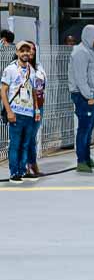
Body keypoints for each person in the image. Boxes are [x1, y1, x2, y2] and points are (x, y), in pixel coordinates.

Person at [1, 41, 41, 183]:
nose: (25, 53)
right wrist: (9, 111)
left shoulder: (31, 69)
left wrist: (36, 109)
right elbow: (3, 91)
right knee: (15, 143)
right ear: (17, 52)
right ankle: (14, 172)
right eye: (21, 51)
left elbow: (34, 91)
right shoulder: (10, 69)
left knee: (26, 143)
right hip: (16, 112)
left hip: (29, 112)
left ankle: (23, 170)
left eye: (27, 50)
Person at [68, 25, 94, 173]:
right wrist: (89, 96)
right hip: (84, 96)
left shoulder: (91, 51)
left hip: (92, 94)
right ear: (90, 36)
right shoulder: (80, 52)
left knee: (89, 130)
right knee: (84, 129)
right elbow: (80, 77)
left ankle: (87, 159)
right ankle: (81, 161)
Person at [25, 41, 47, 178]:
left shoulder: (39, 67)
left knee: (32, 138)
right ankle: (26, 167)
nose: (31, 51)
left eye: (33, 49)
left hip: (39, 106)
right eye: (28, 49)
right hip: (25, 108)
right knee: (26, 138)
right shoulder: (18, 67)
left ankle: (32, 164)